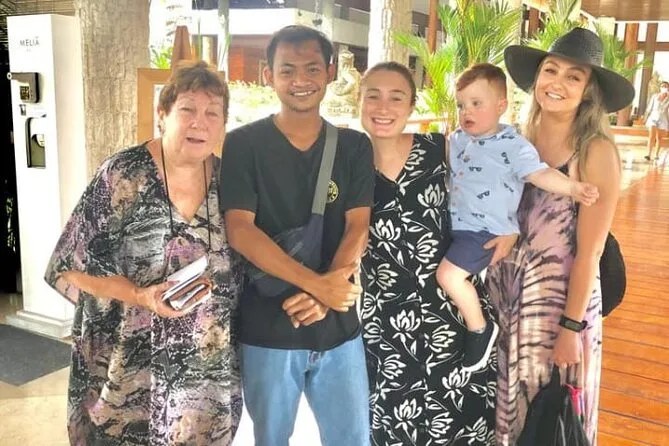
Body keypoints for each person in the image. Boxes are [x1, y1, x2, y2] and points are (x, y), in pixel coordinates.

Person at [44, 60, 243, 445]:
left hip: (207, 385)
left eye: (212, 113)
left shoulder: (231, 181)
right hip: (128, 379)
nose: (199, 122)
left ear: (223, 124)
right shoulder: (122, 175)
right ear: (163, 114)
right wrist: (139, 295)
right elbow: (67, 265)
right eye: (187, 109)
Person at [219, 25, 374, 446]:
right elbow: (239, 229)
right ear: (268, 75)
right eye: (287, 70)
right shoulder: (243, 144)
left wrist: (326, 294)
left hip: (339, 329)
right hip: (268, 328)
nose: (300, 80)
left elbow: (358, 225)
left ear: (330, 72)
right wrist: (319, 286)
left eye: (312, 69)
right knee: (271, 439)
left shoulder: (354, 147)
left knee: (352, 438)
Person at [487, 27, 635, 445]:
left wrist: (571, 327)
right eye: (551, 70)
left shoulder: (594, 151)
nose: (557, 83)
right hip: (507, 300)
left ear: (588, 92)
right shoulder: (515, 140)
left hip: (557, 309)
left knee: (551, 423)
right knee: (509, 417)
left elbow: (591, 252)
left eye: (574, 77)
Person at [359, 61, 517, 445]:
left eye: (396, 98)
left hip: (453, 314)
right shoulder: (349, 161)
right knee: (393, 426)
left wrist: (508, 225)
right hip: (387, 322)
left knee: (463, 423)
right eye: (373, 96)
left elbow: (496, 171)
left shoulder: (437, 148)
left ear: (411, 106)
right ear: (358, 102)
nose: (384, 107)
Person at [435, 63, 599, 373]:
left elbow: (540, 174)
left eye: (476, 103)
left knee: (449, 277)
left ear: (501, 106)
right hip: (457, 227)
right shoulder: (456, 139)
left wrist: (573, 188)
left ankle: (480, 330)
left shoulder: (513, 145)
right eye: (461, 105)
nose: (466, 111)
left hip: (483, 232)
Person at [644, 80, 669, 161]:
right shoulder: (655, 96)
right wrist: (646, 117)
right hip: (653, 117)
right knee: (651, 136)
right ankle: (648, 154)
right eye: (662, 86)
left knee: (659, 138)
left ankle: (656, 154)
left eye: (666, 86)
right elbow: (649, 108)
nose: (664, 87)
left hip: (663, 119)